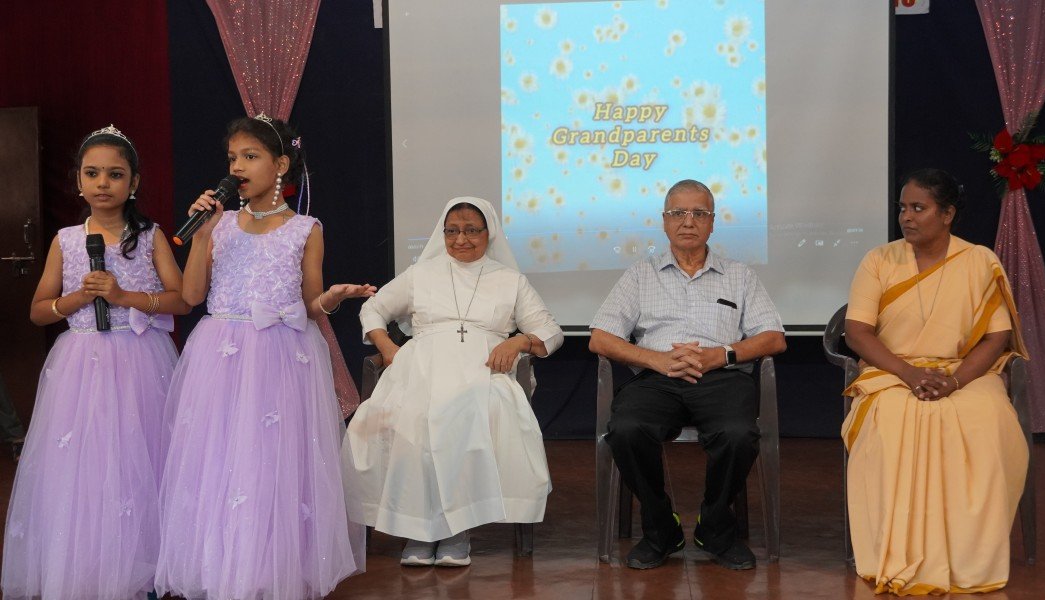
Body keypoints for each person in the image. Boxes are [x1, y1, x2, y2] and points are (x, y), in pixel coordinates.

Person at [154, 115, 374, 599]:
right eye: (232, 157)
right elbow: (191, 295)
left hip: (281, 357)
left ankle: (269, 569)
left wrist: (332, 299)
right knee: (221, 460)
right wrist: (204, 233)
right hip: (221, 354)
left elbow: (310, 303)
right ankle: (223, 567)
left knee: (271, 462)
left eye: (250, 157)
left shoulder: (305, 229)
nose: (237, 167)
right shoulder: (219, 225)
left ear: (280, 165)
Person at [2, 125, 190, 600]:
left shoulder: (150, 237)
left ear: (134, 182)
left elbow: (181, 300)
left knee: (142, 462)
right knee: (86, 467)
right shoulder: (66, 240)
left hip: (140, 360)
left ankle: (146, 569)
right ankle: (90, 566)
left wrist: (124, 296)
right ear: (78, 181)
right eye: (92, 173)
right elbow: (38, 310)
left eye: (115, 174)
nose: (102, 183)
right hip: (80, 364)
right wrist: (75, 299)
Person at [342, 197, 563, 567]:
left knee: (462, 416)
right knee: (411, 418)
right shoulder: (421, 274)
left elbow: (550, 331)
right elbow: (373, 308)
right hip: (419, 369)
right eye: (452, 231)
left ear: (489, 233)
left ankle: (455, 529)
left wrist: (519, 341)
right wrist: (387, 347)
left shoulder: (510, 280)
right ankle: (418, 528)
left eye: (471, 230)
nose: (461, 239)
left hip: (482, 372)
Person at [842, 168, 1028, 595]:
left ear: (947, 214)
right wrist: (908, 373)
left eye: (918, 208)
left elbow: (996, 337)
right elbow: (857, 332)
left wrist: (955, 381)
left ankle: (968, 557)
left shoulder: (979, 260)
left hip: (963, 372)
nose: (906, 217)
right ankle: (899, 552)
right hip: (892, 372)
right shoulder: (878, 260)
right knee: (892, 420)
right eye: (902, 208)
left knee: (987, 419)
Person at [589, 179, 786, 570]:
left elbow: (773, 338)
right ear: (664, 221)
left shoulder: (739, 275)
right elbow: (600, 338)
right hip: (657, 379)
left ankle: (715, 527)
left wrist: (722, 354)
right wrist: (656, 359)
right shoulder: (640, 275)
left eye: (699, 213)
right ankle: (662, 528)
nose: (688, 221)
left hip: (721, 377)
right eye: (678, 213)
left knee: (737, 434)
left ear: (712, 222)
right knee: (626, 430)